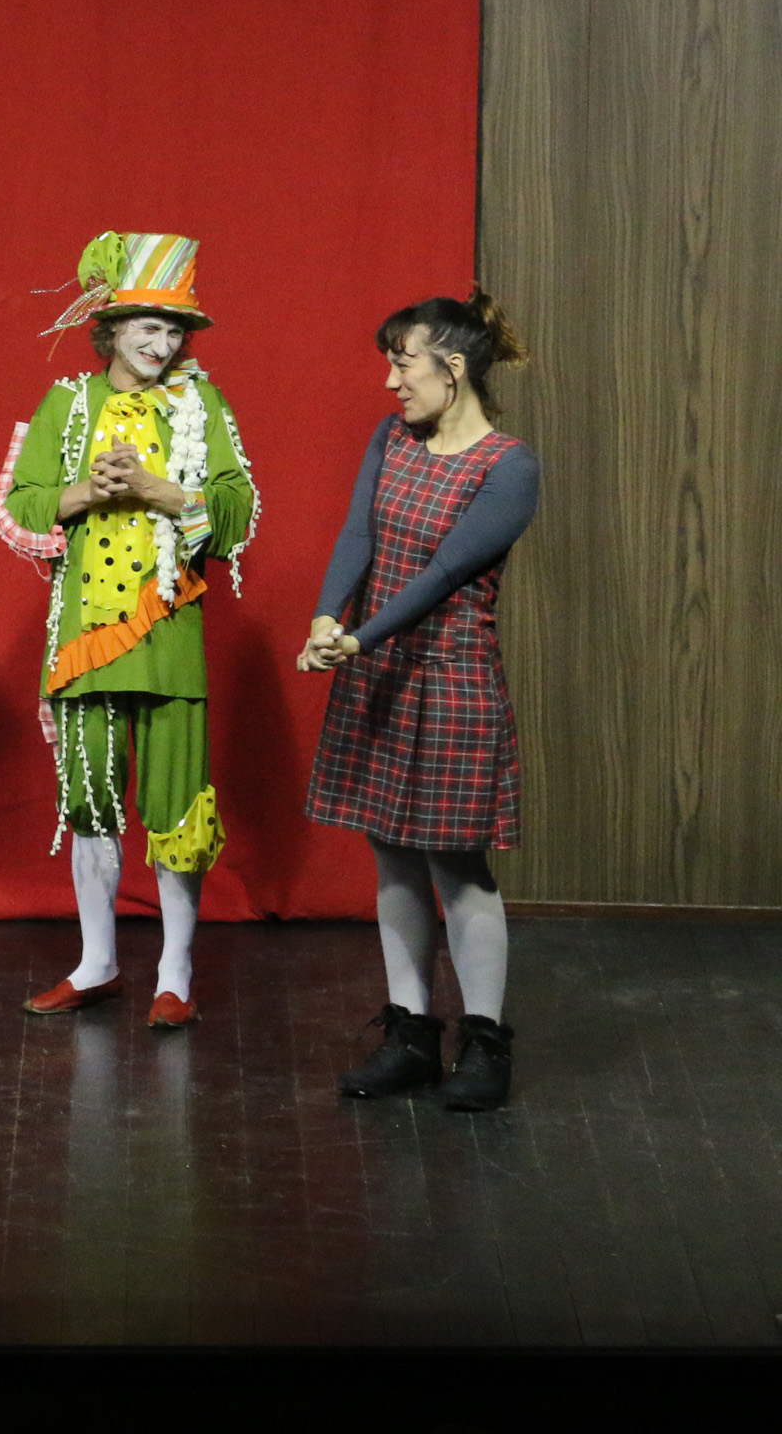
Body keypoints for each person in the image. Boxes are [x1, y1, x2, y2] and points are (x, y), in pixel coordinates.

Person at [0, 233, 257, 1028]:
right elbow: (21, 502)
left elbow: (239, 511)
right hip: (86, 639)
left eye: (174, 329)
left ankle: (175, 972)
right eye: (147, 326)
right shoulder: (66, 404)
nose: (162, 343)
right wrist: (87, 492)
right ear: (110, 329)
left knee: (178, 807)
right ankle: (98, 962)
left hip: (170, 638)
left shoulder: (204, 405)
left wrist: (161, 492)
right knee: (90, 803)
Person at [300, 294, 540, 1111]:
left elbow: (443, 574)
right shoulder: (392, 438)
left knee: (458, 867)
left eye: (403, 363)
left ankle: (485, 1043)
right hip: (378, 670)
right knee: (391, 853)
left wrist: (357, 639)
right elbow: (359, 536)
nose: (391, 380)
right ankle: (409, 1035)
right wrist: (327, 618)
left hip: (452, 682)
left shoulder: (509, 467)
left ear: (453, 367)